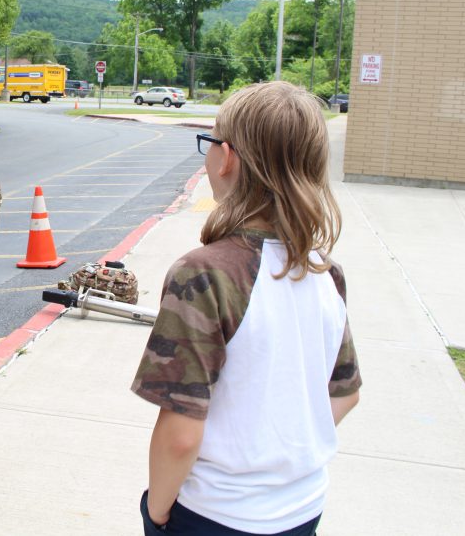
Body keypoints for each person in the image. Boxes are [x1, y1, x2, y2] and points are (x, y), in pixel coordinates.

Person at [131, 81, 361, 536]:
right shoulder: (326, 273)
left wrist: (158, 512)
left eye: (210, 143)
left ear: (228, 156)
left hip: (215, 514)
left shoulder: (204, 274)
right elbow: (344, 393)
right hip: (304, 507)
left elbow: (180, 434)